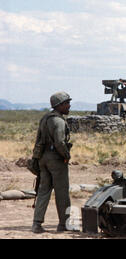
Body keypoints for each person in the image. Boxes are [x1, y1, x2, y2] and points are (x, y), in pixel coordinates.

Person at [31, 92, 73, 234]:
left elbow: (38, 140)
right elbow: (60, 143)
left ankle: (36, 224)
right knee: (62, 193)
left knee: (43, 191)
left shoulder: (45, 118)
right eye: (66, 103)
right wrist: (66, 156)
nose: (69, 106)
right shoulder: (59, 121)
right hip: (56, 159)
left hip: (43, 159)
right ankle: (64, 224)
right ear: (59, 105)